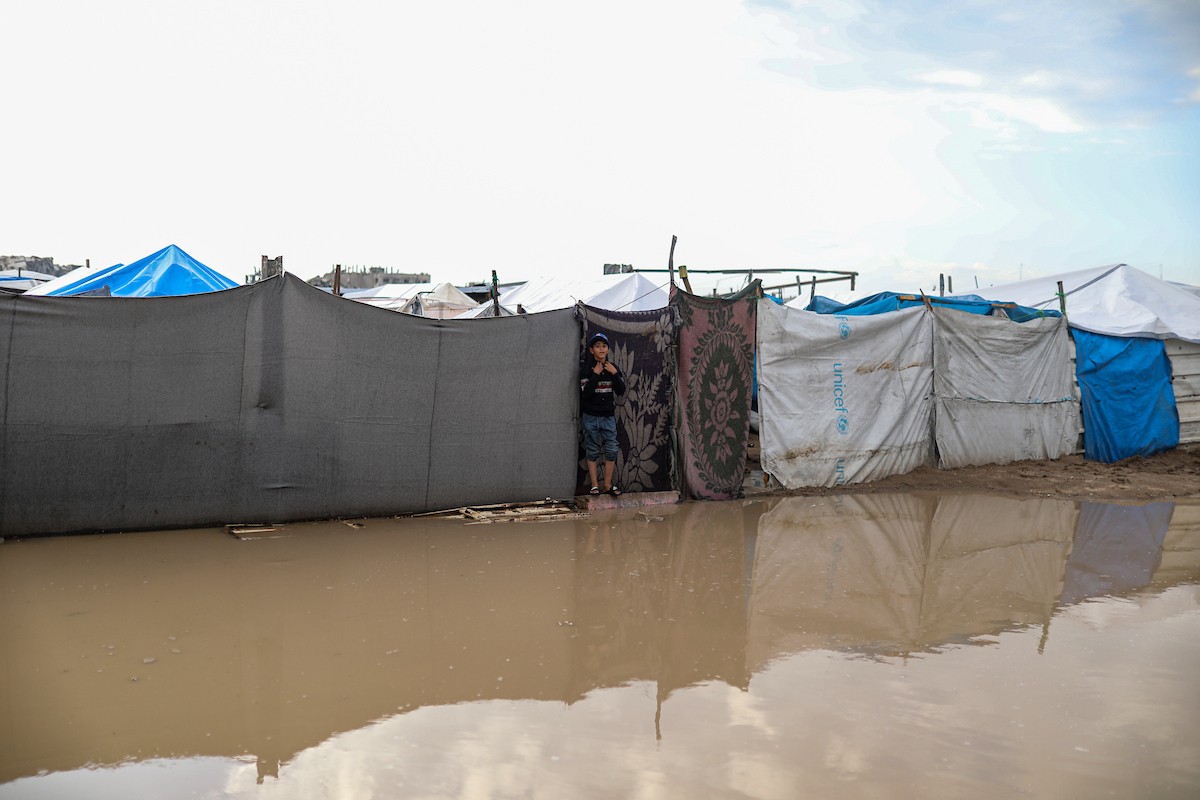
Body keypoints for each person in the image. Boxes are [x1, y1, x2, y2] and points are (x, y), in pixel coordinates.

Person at [579, 331, 626, 495]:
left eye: (604, 346)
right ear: (591, 350)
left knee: (611, 449)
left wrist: (614, 374)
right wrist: (595, 374)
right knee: (592, 450)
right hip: (590, 417)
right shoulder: (586, 369)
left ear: (607, 349)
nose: (601, 349)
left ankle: (607, 484)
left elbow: (621, 391)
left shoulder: (613, 368)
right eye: (597, 346)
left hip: (608, 417)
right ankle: (594, 485)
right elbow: (586, 393)